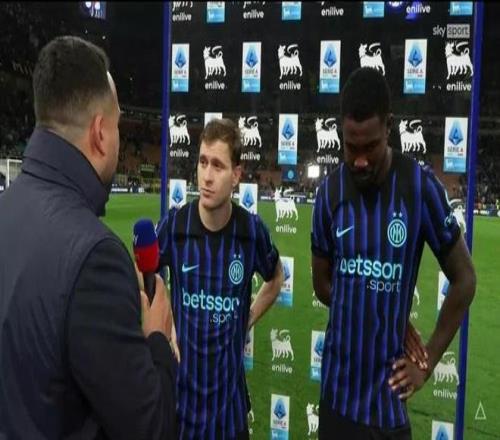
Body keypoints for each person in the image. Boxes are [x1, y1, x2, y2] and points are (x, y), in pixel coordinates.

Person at [0, 36, 177, 439]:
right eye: (117, 126)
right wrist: (157, 338)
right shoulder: (96, 257)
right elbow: (151, 428)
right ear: (100, 133)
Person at [311, 67, 476, 439]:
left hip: (388, 410)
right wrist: (378, 313)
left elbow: (465, 280)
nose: (360, 161)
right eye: (351, 147)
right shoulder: (330, 193)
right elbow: (322, 284)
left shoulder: (419, 187)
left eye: (370, 147)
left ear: (389, 126)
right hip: (336, 401)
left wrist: (426, 364)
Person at [156, 118, 283, 440]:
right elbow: (148, 272)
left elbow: (275, 278)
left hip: (230, 415)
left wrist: (247, 318)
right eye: (202, 162)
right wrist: (167, 323)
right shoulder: (175, 226)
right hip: (181, 411)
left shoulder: (251, 231)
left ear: (236, 175)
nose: (207, 176)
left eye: (218, 165)